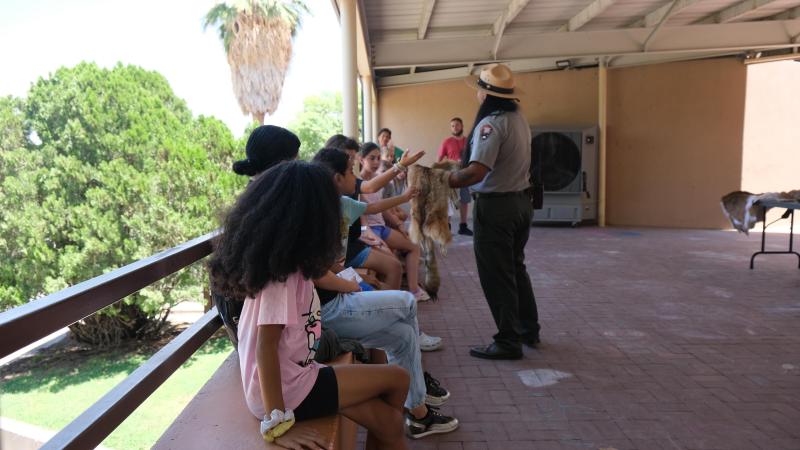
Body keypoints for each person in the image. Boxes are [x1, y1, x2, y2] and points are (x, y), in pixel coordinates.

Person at [209, 161, 410, 449]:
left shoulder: (289, 265)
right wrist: (278, 425)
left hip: (298, 376)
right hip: (288, 392)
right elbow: (264, 348)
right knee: (398, 378)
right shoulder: (282, 277)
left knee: (389, 423)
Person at [312, 148, 460, 439]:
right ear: (335, 177)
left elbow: (369, 207)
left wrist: (404, 198)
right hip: (329, 310)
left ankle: (419, 415)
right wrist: (351, 284)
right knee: (406, 303)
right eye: (351, 171)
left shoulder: (340, 203)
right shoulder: (314, 216)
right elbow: (318, 273)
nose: (356, 178)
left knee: (402, 335)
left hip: (339, 295)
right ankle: (411, 384)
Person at [447, 63, 540, 360]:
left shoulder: (492, 124)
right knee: (515, 268)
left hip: (497, 207)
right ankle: (528, 330)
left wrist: (443, 179)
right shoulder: (518, 118)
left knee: (496, 274)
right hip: (520, 203)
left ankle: (508, 341)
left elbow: (476, 172)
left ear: (485, 94)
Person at [359, 142, 430, 302]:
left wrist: (399, 225)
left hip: (381, 227)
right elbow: (368, 209)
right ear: (361, 159)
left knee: (413, 246)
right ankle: (392, 303)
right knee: (393, 262)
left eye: (378, 158)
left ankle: (414, 290)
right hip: (369, 231)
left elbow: (381, 207)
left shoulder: (378, 180)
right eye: (372, 158)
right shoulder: (358, 183)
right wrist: (368, 231)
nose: (377, 162)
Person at [438, 117, 474, 236]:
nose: (455, 127)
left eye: (457, 125)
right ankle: (447, 228)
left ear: (462, 126)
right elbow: (439, 160)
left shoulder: (469, 141)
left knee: (464, 200)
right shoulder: (446, 142)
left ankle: (463, 227)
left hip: (465, 174)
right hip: (451, 176)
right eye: (452, 126)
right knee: (449, 202)